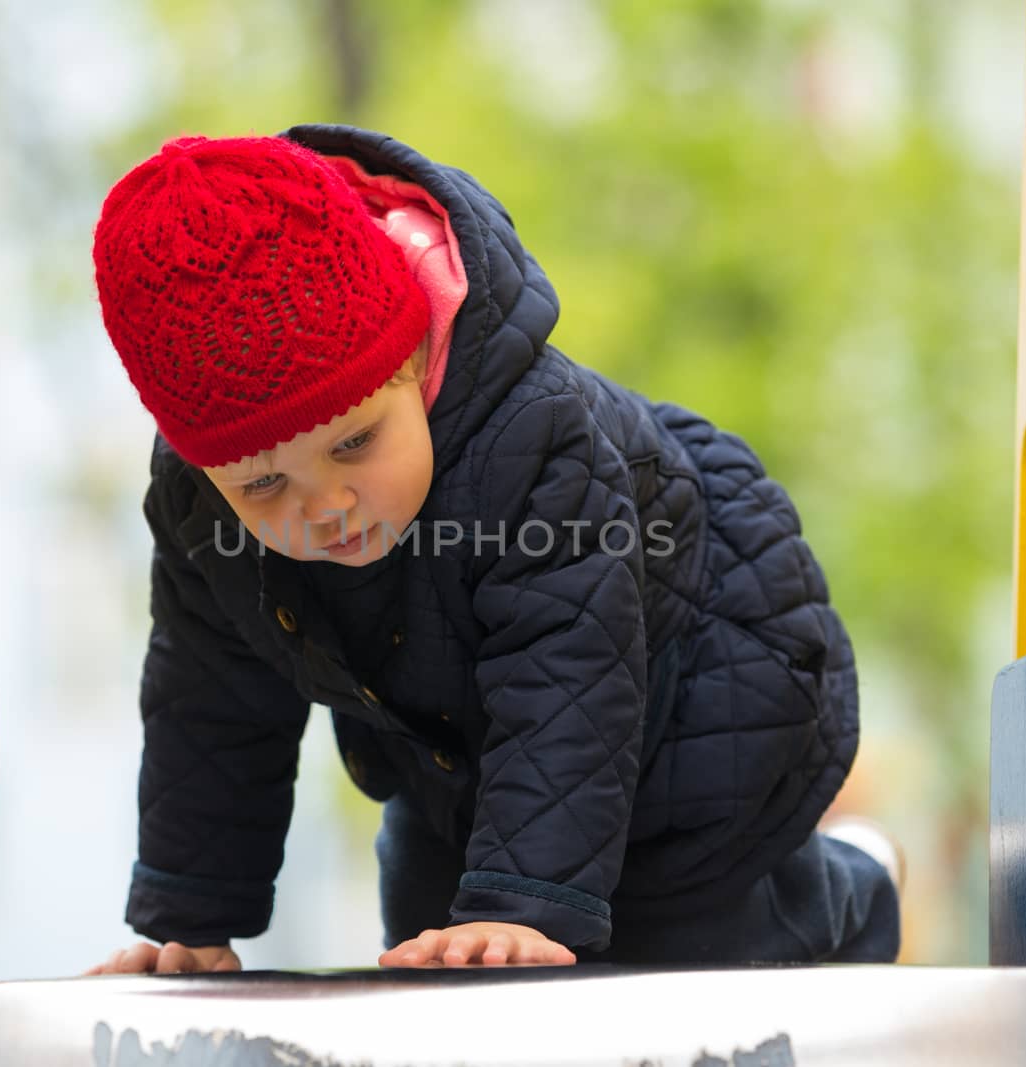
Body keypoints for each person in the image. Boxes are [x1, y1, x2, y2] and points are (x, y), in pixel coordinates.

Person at [85, 126, 899, 975]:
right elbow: (209, 699)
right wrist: (193, 918)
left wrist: (520, 905)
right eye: (263, 487)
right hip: (457, 759)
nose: (324, 505)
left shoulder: (534, 438)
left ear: (418, 357)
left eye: (356, 442)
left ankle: (857, 887)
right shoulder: (200, 507)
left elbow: (567, 666)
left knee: (692, 954)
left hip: (697, 715)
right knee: (431, 951)